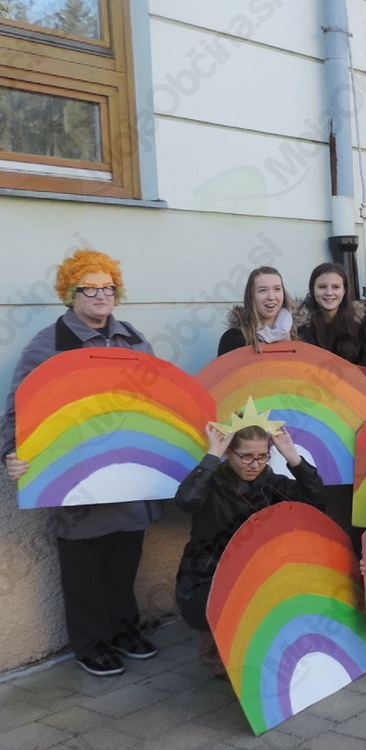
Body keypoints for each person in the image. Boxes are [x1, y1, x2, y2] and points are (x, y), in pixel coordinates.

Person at [2, 250, 161, 677]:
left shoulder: (134, 340)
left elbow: (154, 401)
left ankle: (124, 629)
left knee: (124, 559)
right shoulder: (49, 344)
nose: (100, 295)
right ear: (70, 293)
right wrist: (11, 453)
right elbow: (19, 409)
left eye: (108, 287)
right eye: (89, 288)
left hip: (127, 474)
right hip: (73, 478)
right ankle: (91, 644)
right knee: (84, 566)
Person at [175, 418, 325, 676]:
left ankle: (252, 647)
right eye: (246, 457)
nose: (255, 465)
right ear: (229, 452)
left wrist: (291, 455)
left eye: (262, 456)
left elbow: (317, 503)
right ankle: (219, 644)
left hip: (257, 573)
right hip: (207, 576)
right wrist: (213, 455)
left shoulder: (272, 484)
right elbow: (186, 500)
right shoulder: (211, 485)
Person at [297, 262, 366, 367]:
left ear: (344, 290)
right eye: (322, 287)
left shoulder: (360, 323)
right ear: (313, 290)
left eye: (335, 287)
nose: (329, 293)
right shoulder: (298, 327)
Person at [218, 266, 297, 355]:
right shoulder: (233, 338)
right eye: (263, 290)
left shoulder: (300, 333)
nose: (271, 297)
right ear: (251, 296)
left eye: (277, 289)